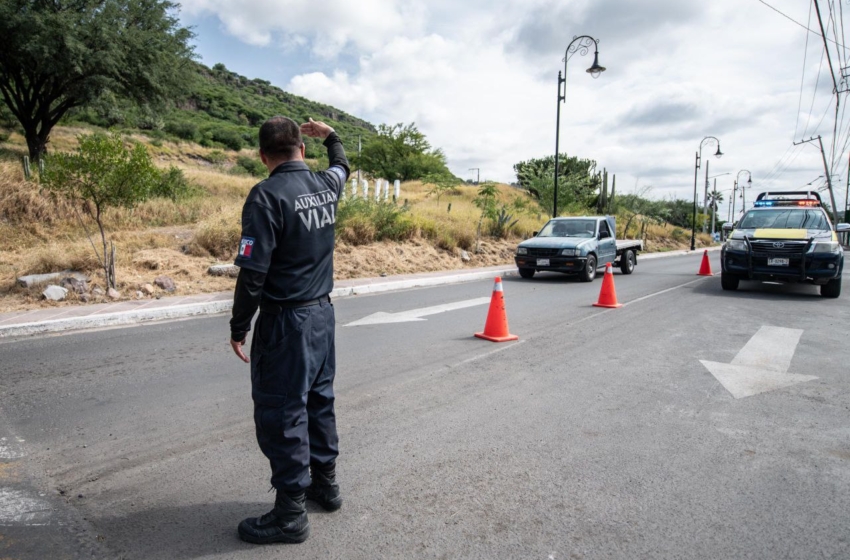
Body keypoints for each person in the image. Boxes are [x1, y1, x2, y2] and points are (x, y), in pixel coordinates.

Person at [229, 115, 350, 544]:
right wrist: (332, 135)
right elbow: (342, 166)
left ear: (264, 156)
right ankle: (326, 484)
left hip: (286, 322)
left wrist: (239, 326)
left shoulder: (266, 196)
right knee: (318, 401)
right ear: (302, 148)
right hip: (323, 317)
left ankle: (290, 515)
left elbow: (252, 274)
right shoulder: (326, 185)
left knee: (283, 412)